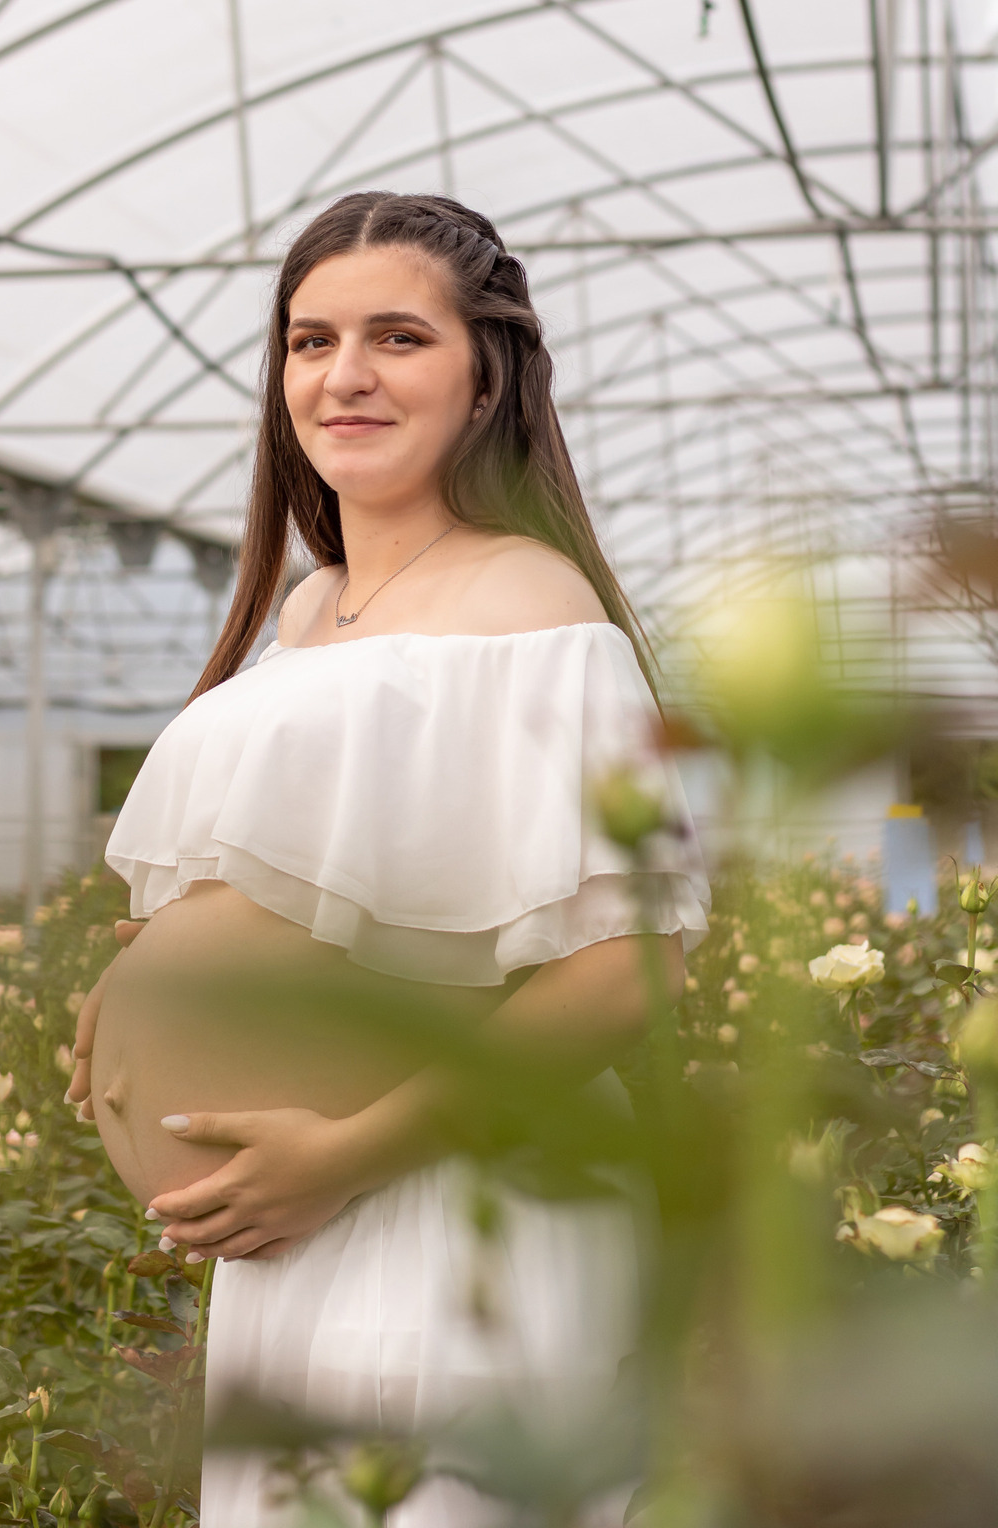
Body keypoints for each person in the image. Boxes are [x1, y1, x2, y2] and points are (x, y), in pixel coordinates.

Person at [69, 191, 709, 1525]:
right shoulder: (307, 611)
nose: (342, 376)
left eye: (397, 338)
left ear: (487, 378)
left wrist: (348, 1154)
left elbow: (629, 967)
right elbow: (319, 904)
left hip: (453, 1196)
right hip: (303, 1220)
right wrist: (146, 998)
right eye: (309, 341)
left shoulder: (531, 604)